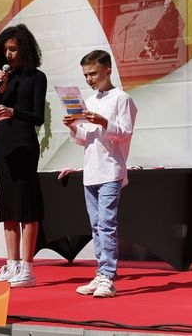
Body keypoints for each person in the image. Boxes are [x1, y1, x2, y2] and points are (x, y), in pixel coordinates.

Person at [63, 50, 137, 298]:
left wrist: (104, 122)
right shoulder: (90, 100)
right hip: (91, 170)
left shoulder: (122, 98)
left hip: (111, 169)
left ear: (108, 70)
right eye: (86, 75)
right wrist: (74, 126)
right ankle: (100, 272)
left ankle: (108, 275)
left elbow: (125, 133)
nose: (89, 79)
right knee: (96, 226)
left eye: (93, 73)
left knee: (106, 224)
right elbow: (85, 138)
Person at [0, 24, 46, 287]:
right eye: (5, 50)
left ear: (25, 49)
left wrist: (14, 112)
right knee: (9, 206)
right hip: (4, 144)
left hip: (24, 143)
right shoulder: (3, 80)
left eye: (13, 49)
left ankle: (28, 267)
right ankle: (11, 264)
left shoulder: (37, 77)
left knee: (26, 206)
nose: (8, 54)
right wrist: (0, 87)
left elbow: (38, 117)